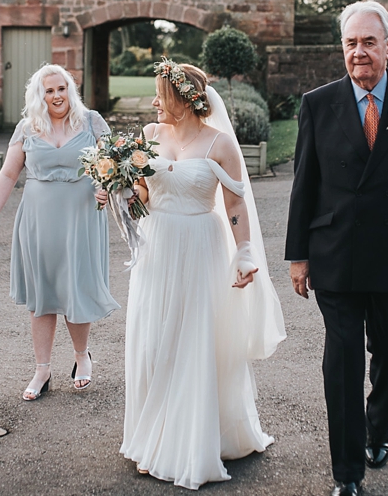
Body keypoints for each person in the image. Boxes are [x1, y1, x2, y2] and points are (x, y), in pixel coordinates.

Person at [285, 1, 388, 496]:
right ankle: (347, 474)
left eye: (368, 42)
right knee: (341, 363)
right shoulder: (318, 104)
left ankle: (377, 426)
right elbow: (303, 187)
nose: (359, 52)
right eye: (350, 43)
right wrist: (298, 256)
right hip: (335, 253)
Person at [121, 60, 286, 490]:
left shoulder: (219, 144)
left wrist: (245, 253)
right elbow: (142, 193)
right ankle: (151, 437)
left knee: (191, 341)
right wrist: (119, 192)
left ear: (183, 98)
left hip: (200, 247)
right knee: (153, 340)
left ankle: (186, 440)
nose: (154, 102)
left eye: (161, 94)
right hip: (156, 247)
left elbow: (234, 206)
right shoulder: (149, 136)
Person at [0, 64, 119, 400]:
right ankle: (42, 369)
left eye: (62, 89)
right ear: (39, 95)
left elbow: (114, 165)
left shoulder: (91, 121)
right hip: (39, 218)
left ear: (70, 89)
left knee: (77, 287)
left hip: (82, 215)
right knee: (42, 294)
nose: (57, 96)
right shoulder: (28, 128)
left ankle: (80, 356)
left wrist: (108, 187)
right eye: (49, 90)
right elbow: (8, 175)